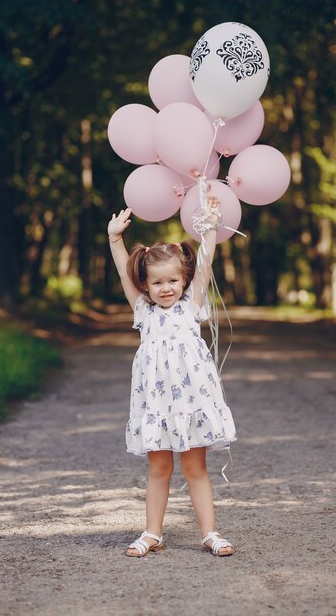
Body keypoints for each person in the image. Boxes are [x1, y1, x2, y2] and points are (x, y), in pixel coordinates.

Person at [108, 196, 237, 558]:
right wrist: (115, 239)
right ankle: (152, 533)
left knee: (195, 466)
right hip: (157, 403)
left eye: (173, 280)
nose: (166, 288)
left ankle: (210, 532)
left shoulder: (192, 305)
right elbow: (122, 272)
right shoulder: (143, 310)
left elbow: (207, 263)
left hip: (191, 400)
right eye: (157, 282)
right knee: (160, 466)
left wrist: (209, 227)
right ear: (145, 285)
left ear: (184, 279)